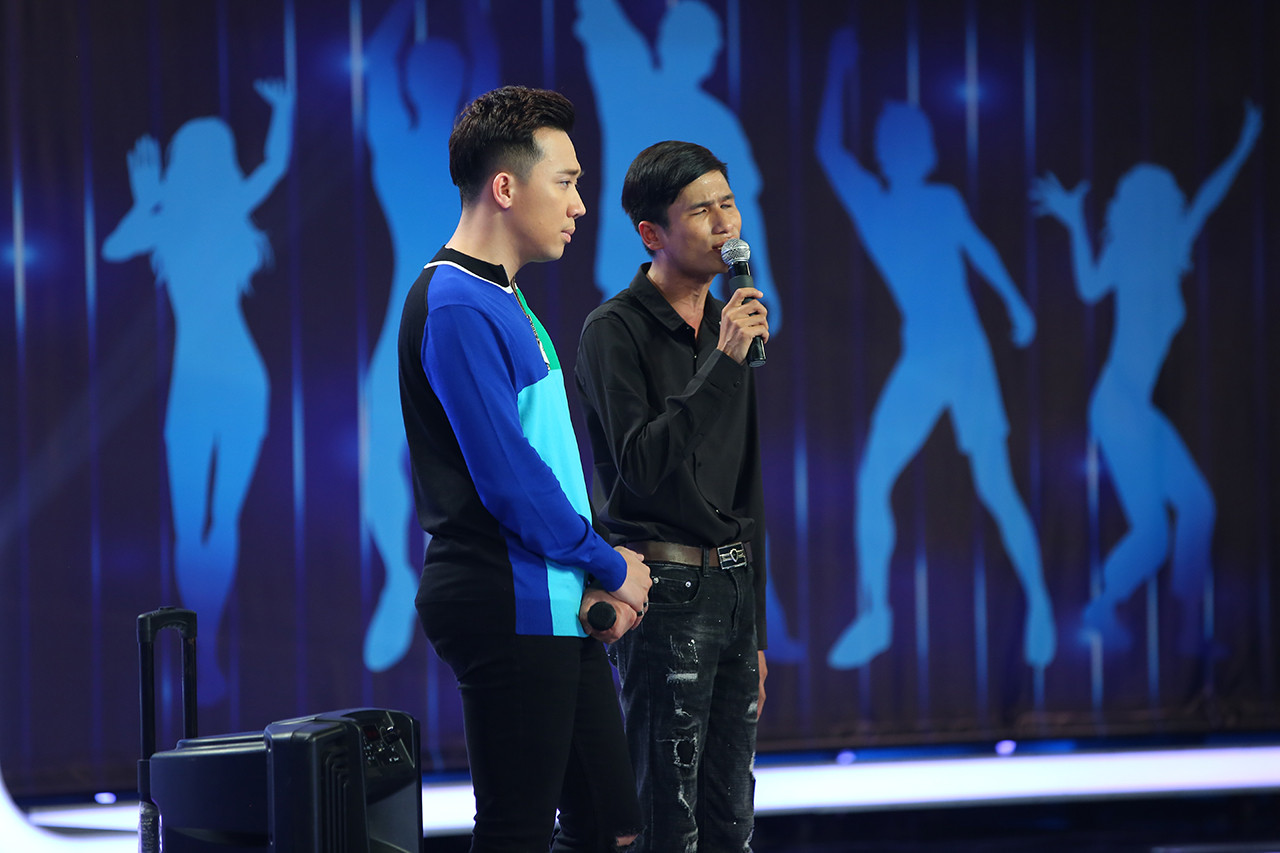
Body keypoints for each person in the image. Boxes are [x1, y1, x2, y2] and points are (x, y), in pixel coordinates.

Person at [397, 85, 651, 852]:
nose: (580, 205)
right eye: (566, 182)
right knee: (517, 830)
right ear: (506, 188)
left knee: (611, 826)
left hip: (550, 592)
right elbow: (510, 479)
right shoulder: (458, 303)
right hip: (507, 595)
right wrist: (610, 563)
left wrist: (594, 567)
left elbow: (547, 464)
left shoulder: (499, 295)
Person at [816, 28, 1055, 670]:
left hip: (966, 355)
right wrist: (837, 72)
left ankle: (1038, 603)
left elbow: (983, 253)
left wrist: (1017, 305)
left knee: (996, 486)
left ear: (923, 152)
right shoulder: (872, 204)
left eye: (910, 141)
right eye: (892, 142)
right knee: (873, 480)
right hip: (922, 358)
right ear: (884, 153)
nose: (901, 150)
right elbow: (828, 149)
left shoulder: (943, 201)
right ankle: (876, 614)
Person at [575, 140, 770, 852]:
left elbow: (746, 485)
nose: (725, 224)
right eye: (701, 210)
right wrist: (723, 361)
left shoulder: (728, 326)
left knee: (731, 820)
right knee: (668, 819)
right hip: (665, 592)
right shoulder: (614, 329)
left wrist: (757, 633)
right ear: (651, 234)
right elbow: (639, 465)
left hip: (734, 589)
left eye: (728, 204)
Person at [1032, 100, 1261, 652]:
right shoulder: (1134, 253)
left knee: (1195, 510)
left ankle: (1181, 628)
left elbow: (1209, 197)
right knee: (1162, 528)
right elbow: (1088, 288)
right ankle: (1107, 608)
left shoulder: (1169, 244)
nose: (1175, 205)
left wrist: (1245, 145)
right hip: (1118, 403)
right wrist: (1072, 221)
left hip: (1132, 404)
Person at [103, 77, 295, 705]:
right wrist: (283, 110)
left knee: (201, 528)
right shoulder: (214, 212)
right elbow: (114, 247)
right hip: (233, 382)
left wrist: (150, 199)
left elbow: (118, 244)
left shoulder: (180, 220)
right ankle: (205, 649)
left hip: (213, 385)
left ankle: (205, 649)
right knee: (209, 525)